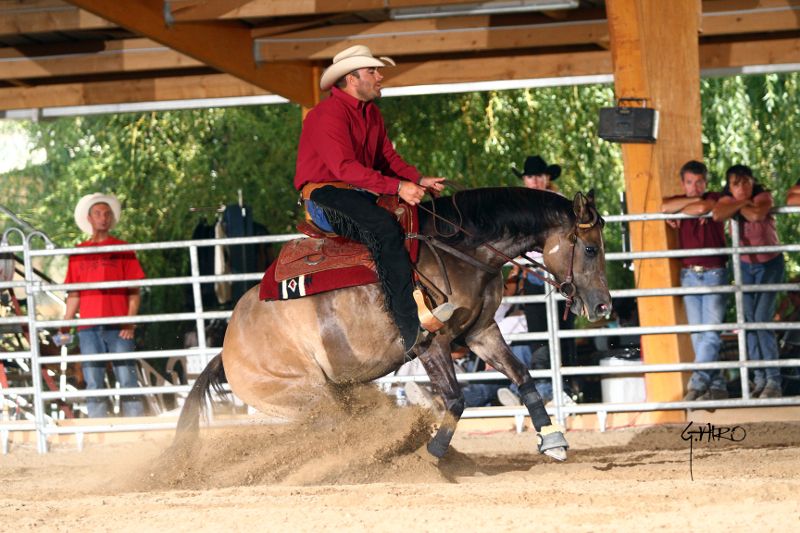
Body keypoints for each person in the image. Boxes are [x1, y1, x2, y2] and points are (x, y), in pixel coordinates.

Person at [293, 44, 447, 355]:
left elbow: (388, 158)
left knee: (416, 220)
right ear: (352, 78)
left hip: (356, 190)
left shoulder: (372, 114)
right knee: (384, 228)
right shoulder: (325, 115)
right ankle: (407, 327)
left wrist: (416, 179)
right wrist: (397, 187)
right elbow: (344, 168)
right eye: (372, 71)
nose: (379, 77)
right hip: (324, 195)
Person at [496, 155, 574, 406]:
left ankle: (562, 388)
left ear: (547, 178)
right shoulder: (522, 205)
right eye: (531, 176)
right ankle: (548, 389)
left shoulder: (559, 203)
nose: (535, 180)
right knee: (539, 332)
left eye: (539, 176)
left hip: (559, 273)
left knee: (562, 331)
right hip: (535, 272)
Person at [63, 193, 146, 417]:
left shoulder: (122, 248)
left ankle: (135, 426)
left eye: (107, 214)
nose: (103, 218)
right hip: (88, 327)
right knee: (93, 380)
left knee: (127, 378)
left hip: (119, 324)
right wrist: (65, 324)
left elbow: (134, 290)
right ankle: (99, 429)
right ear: (89, 218)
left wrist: (129, 322)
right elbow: (74, 293)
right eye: (98, 213)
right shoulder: (78, 253)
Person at [713, 165, 785, 398]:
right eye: (736, 184)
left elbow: (757, 214)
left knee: (762, 318)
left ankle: (773, 380)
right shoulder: (729, 201)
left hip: (769, 263)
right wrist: (742, 204)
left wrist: (738, 205)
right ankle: (759, 378)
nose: (743, 188)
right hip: (744, 265)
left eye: (746, 182)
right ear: (729, 186)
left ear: (753, 182)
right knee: (749, 321)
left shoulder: (763, 196)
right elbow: (717, 214)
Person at [661, 160, 729, 401]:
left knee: (710, 333)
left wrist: (682, 210)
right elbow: (663, 206)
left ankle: (698, 382)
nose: (695, 186)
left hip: (714, 272)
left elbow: (704, 207)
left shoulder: (718, 198)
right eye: (690, 182)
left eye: (699, 182)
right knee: (698, 335)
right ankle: (717, 384)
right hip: (689, 273)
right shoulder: (683, 199)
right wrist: (684, 208)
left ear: (706, 182)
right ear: (683, 183)